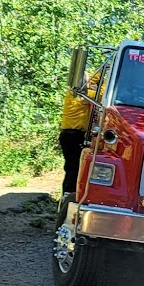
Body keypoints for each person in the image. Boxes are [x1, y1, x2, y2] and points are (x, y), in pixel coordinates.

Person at [58, 69, 99, 198]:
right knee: (73, 167)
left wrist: (100, 72)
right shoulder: (81, 95)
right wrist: (105, 80)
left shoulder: (74, 92)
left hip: (70, 135)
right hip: (73, 136)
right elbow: (102, 94)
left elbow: (89, 80)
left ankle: (69, 194)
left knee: (72, 166)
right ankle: (68, 196)